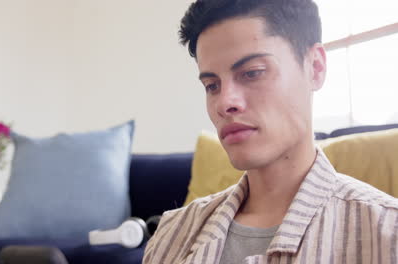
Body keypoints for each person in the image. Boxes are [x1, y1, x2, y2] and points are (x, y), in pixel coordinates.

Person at [143, 0, 398, 263]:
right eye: (211, 85)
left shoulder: (386, 233)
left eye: (252, 73)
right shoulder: (172, 234)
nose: (224, 102)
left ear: (315, 67)